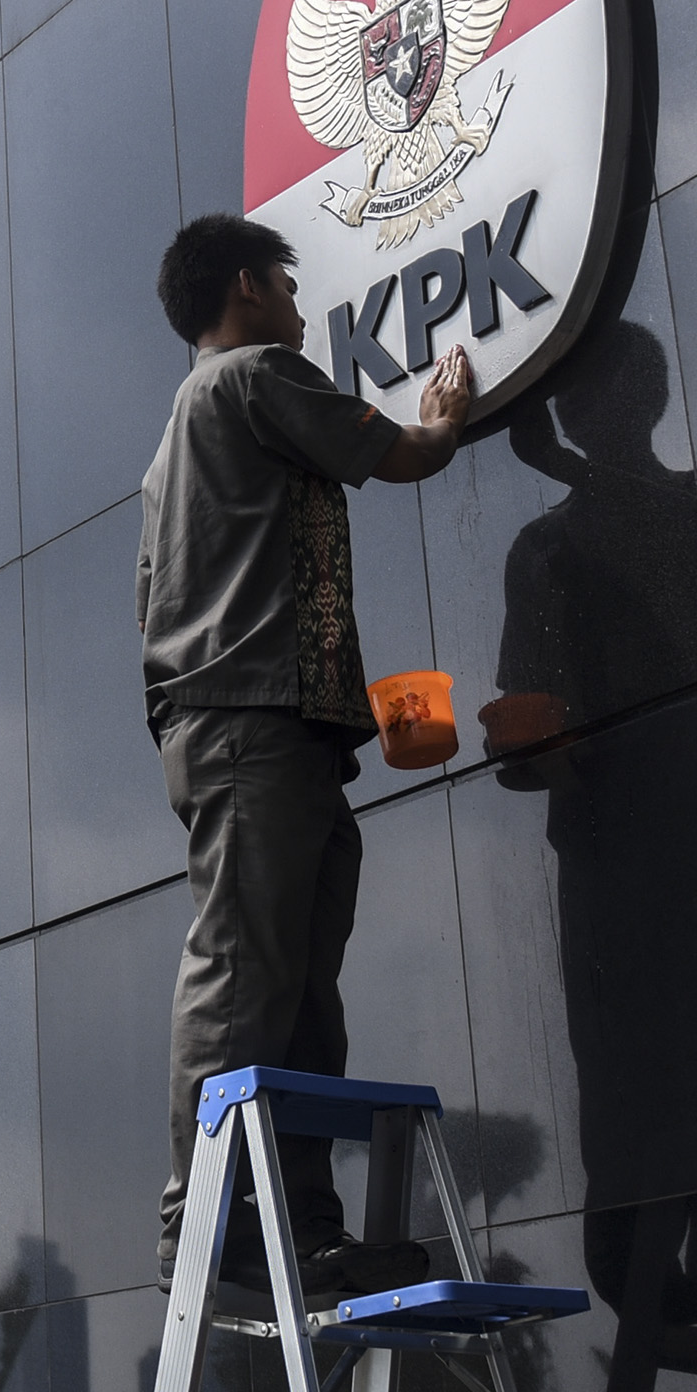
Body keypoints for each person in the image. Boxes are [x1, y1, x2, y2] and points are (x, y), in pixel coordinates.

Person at [138, 213, 469, 1295]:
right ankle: (204, 1221)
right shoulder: (253, 376)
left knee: (295, 990)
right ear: (247, 285)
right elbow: (405, 456)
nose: (296, 304)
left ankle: (298, 1222)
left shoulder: (174, 443)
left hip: (261, 729)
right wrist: (444, 414)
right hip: (251, 725)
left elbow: (154, 602)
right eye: (286, 283)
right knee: (246, 971)